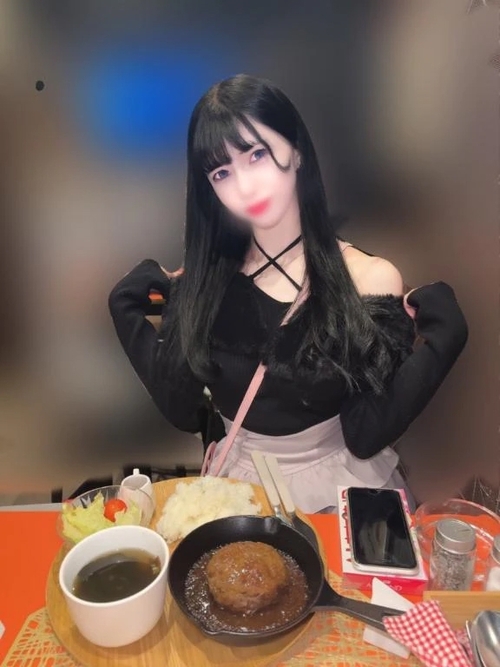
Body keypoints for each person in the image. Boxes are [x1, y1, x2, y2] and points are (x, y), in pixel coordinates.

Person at [108, 74, 468, 513]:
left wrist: (443, 342)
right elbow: (182, 410)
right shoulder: (205, 282)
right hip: (237, 491)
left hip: (337, 492)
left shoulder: (368, 279)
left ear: (296, 150)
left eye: (257, 155)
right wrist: (125, 310)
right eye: (222, 172)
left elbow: (366, 433)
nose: (244, 186)